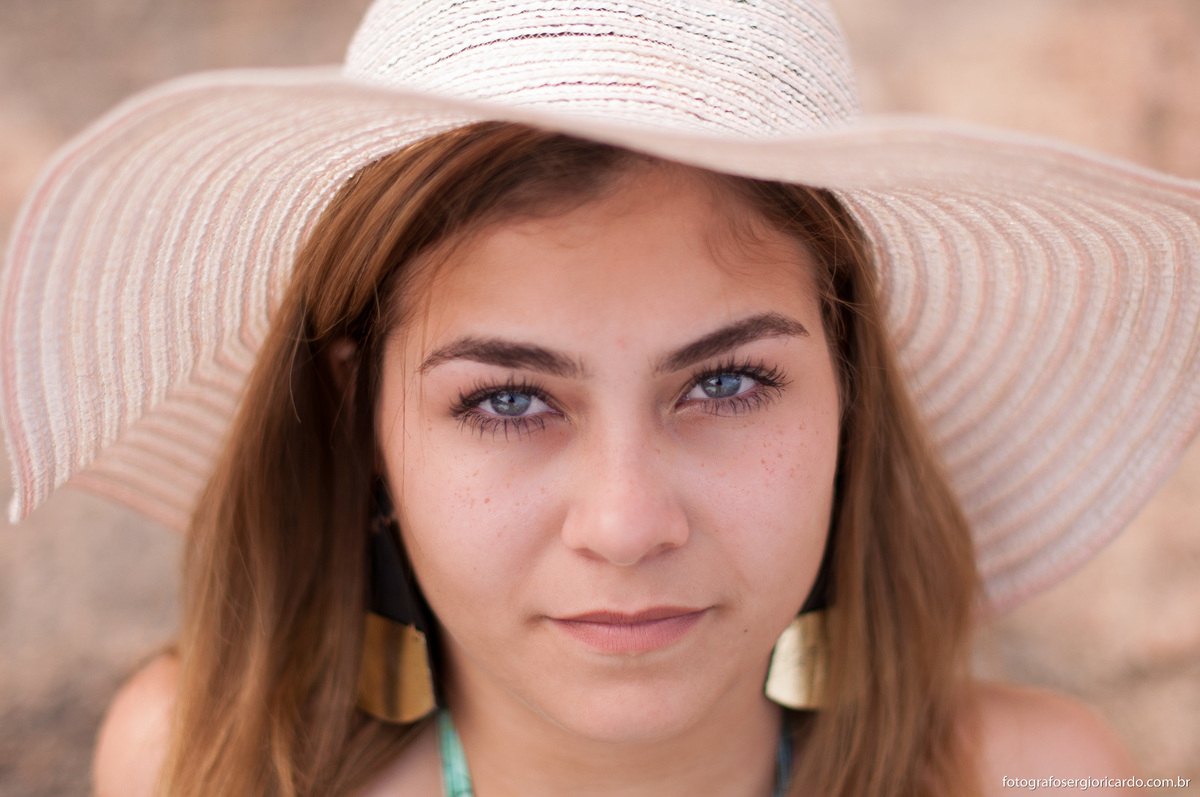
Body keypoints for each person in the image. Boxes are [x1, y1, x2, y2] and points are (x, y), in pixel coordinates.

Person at [2, 1, 1197, 796]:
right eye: (511, 399)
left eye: (728, 380)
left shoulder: (1038, 780)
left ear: (851, 403)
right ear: (362, 423)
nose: (627, 525)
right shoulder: (203, 763)